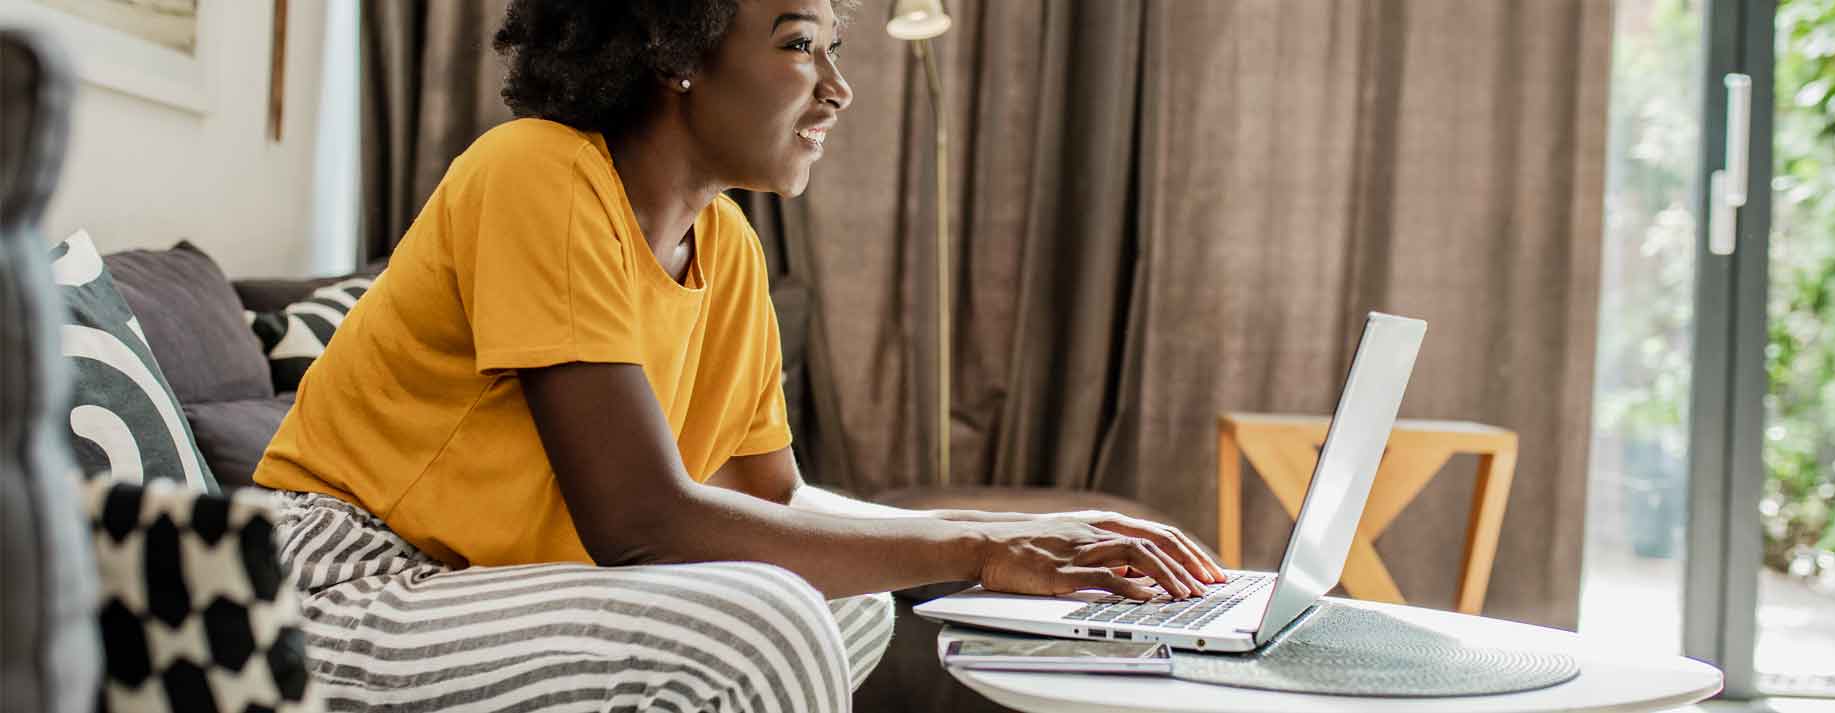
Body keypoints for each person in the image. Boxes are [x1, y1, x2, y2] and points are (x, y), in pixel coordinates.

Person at [254, 1, 1225, 710]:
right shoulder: (536, 174)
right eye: (800, 43)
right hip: (339, 586)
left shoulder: (728, 252)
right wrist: (974, 547)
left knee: (850, 608)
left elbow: (768, 502)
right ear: (676, 45)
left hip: (478, 583)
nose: (838, 89)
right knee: (767, 620)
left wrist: (1030, 533)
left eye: (834, 50)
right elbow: (638, 519)